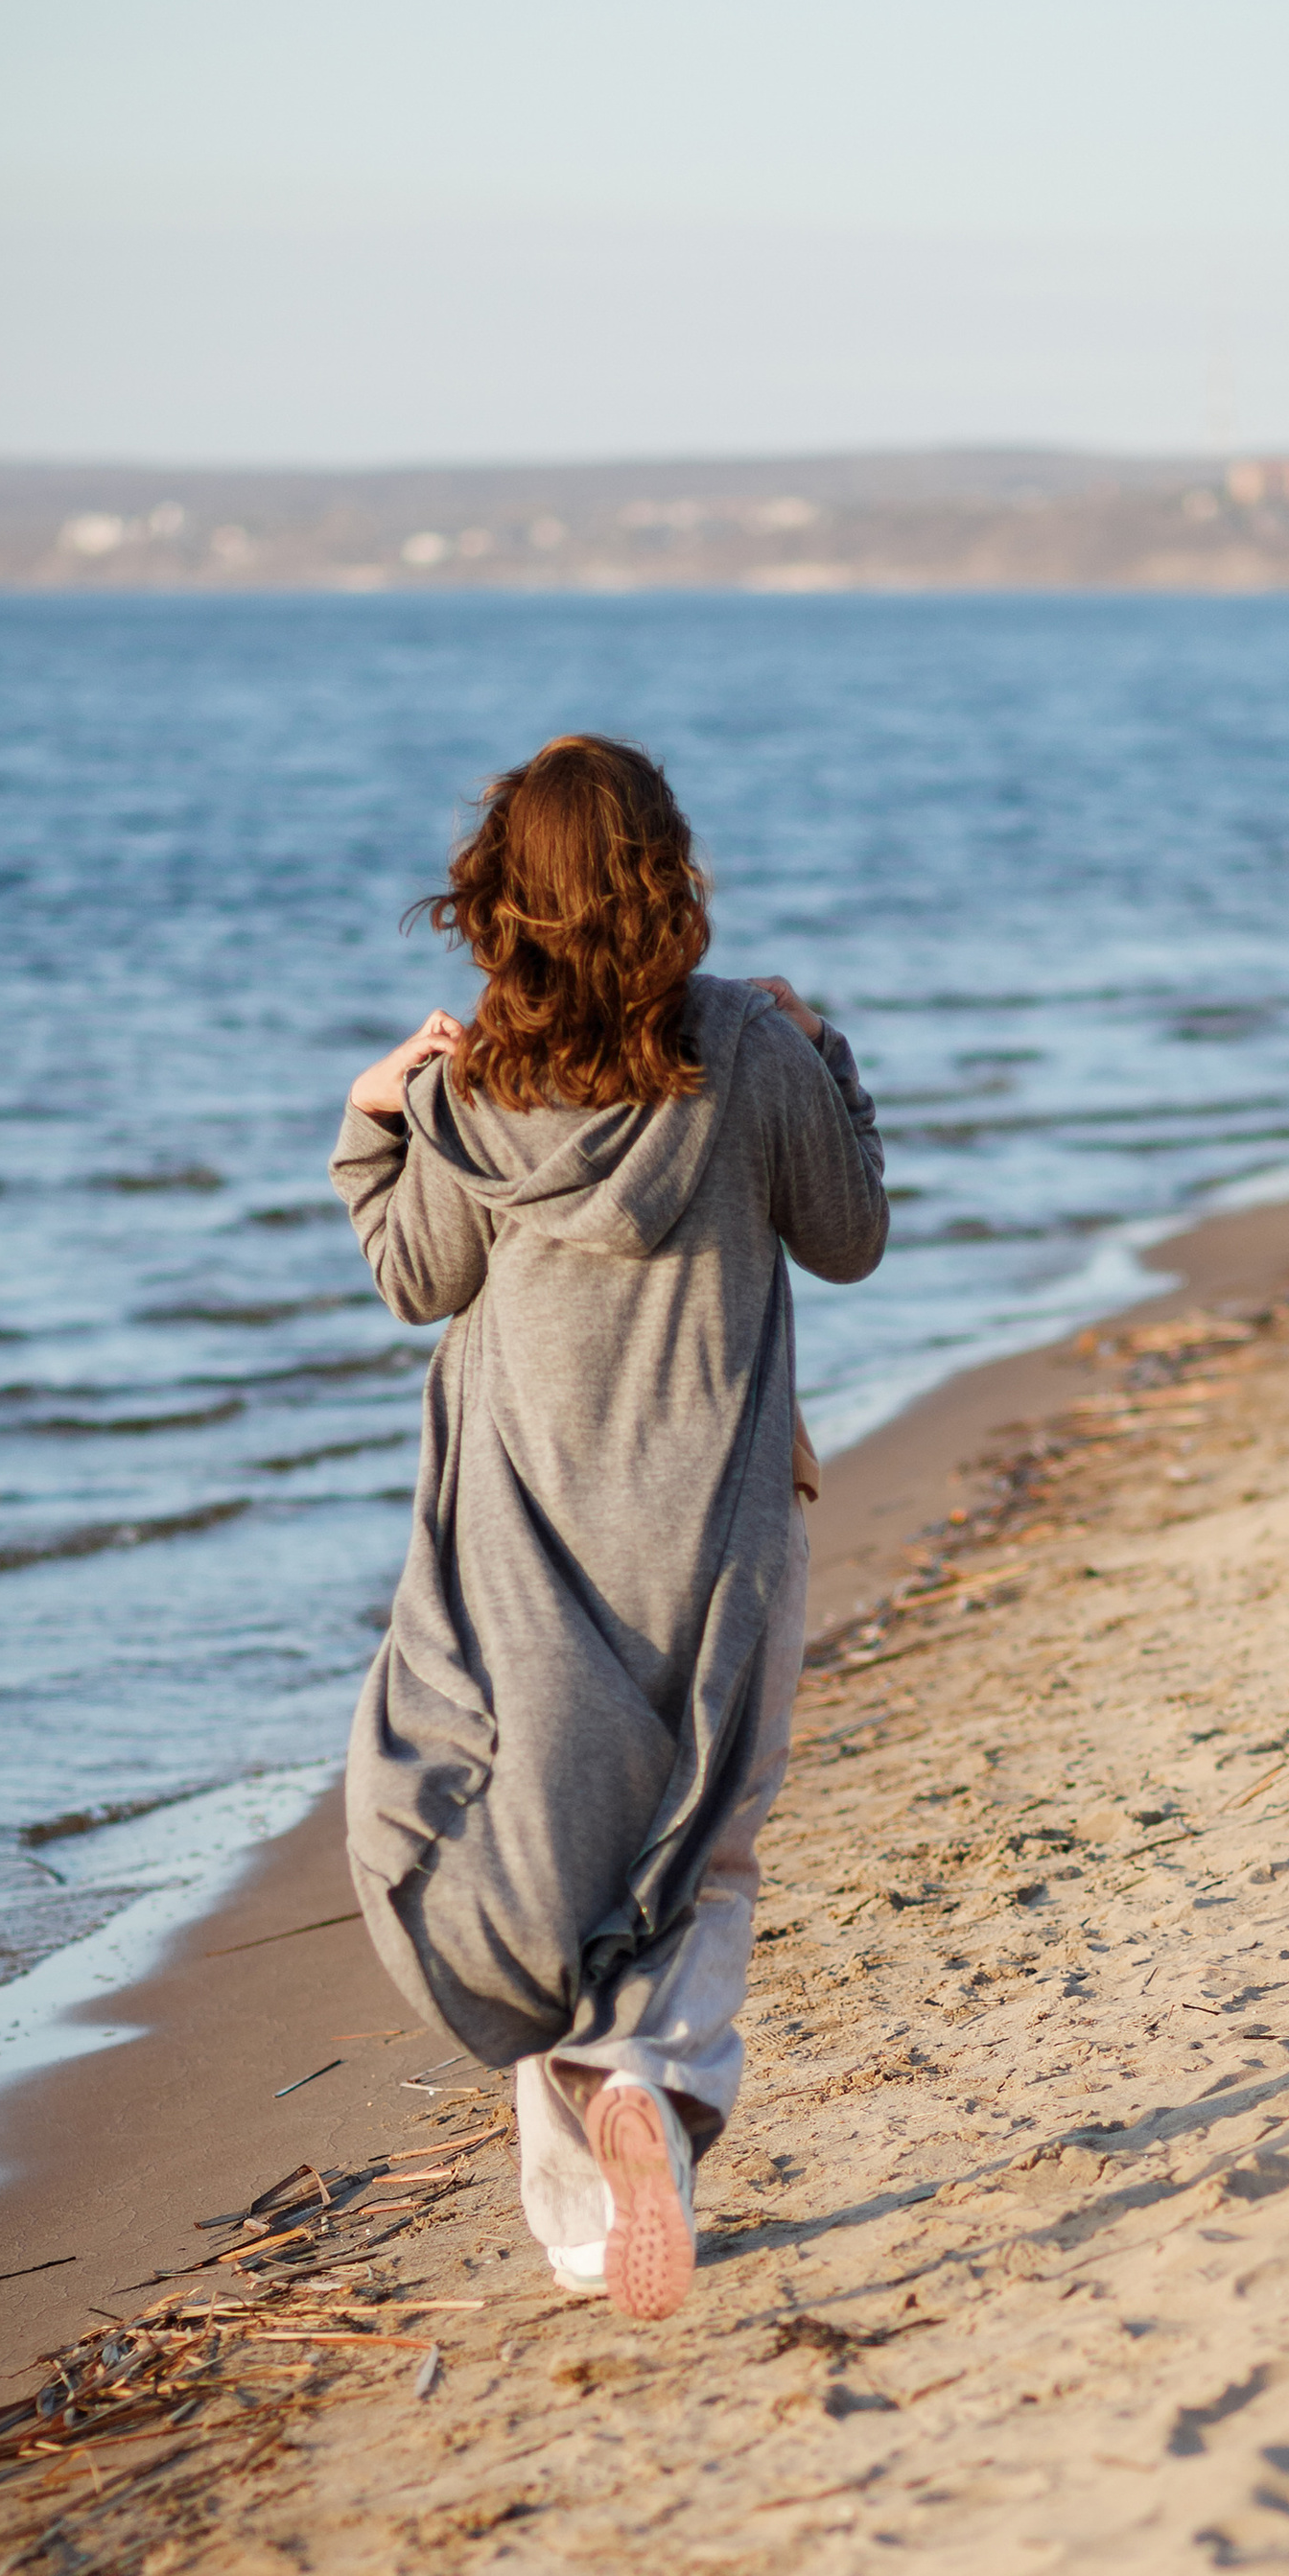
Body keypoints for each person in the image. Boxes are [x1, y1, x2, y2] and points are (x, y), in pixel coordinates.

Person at [330, 735, 887, 2319]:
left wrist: (376, 1114)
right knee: (702, 1844)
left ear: (501, 900)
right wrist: (823, 1045)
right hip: (721, 1525)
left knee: (544, 1848)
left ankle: (584, 2221)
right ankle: (643, 2073)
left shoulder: (466, 1085)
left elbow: (413, 1280)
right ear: (664, 878)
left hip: (526, 1543)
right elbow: (849, 1236)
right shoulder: (744, 1052)